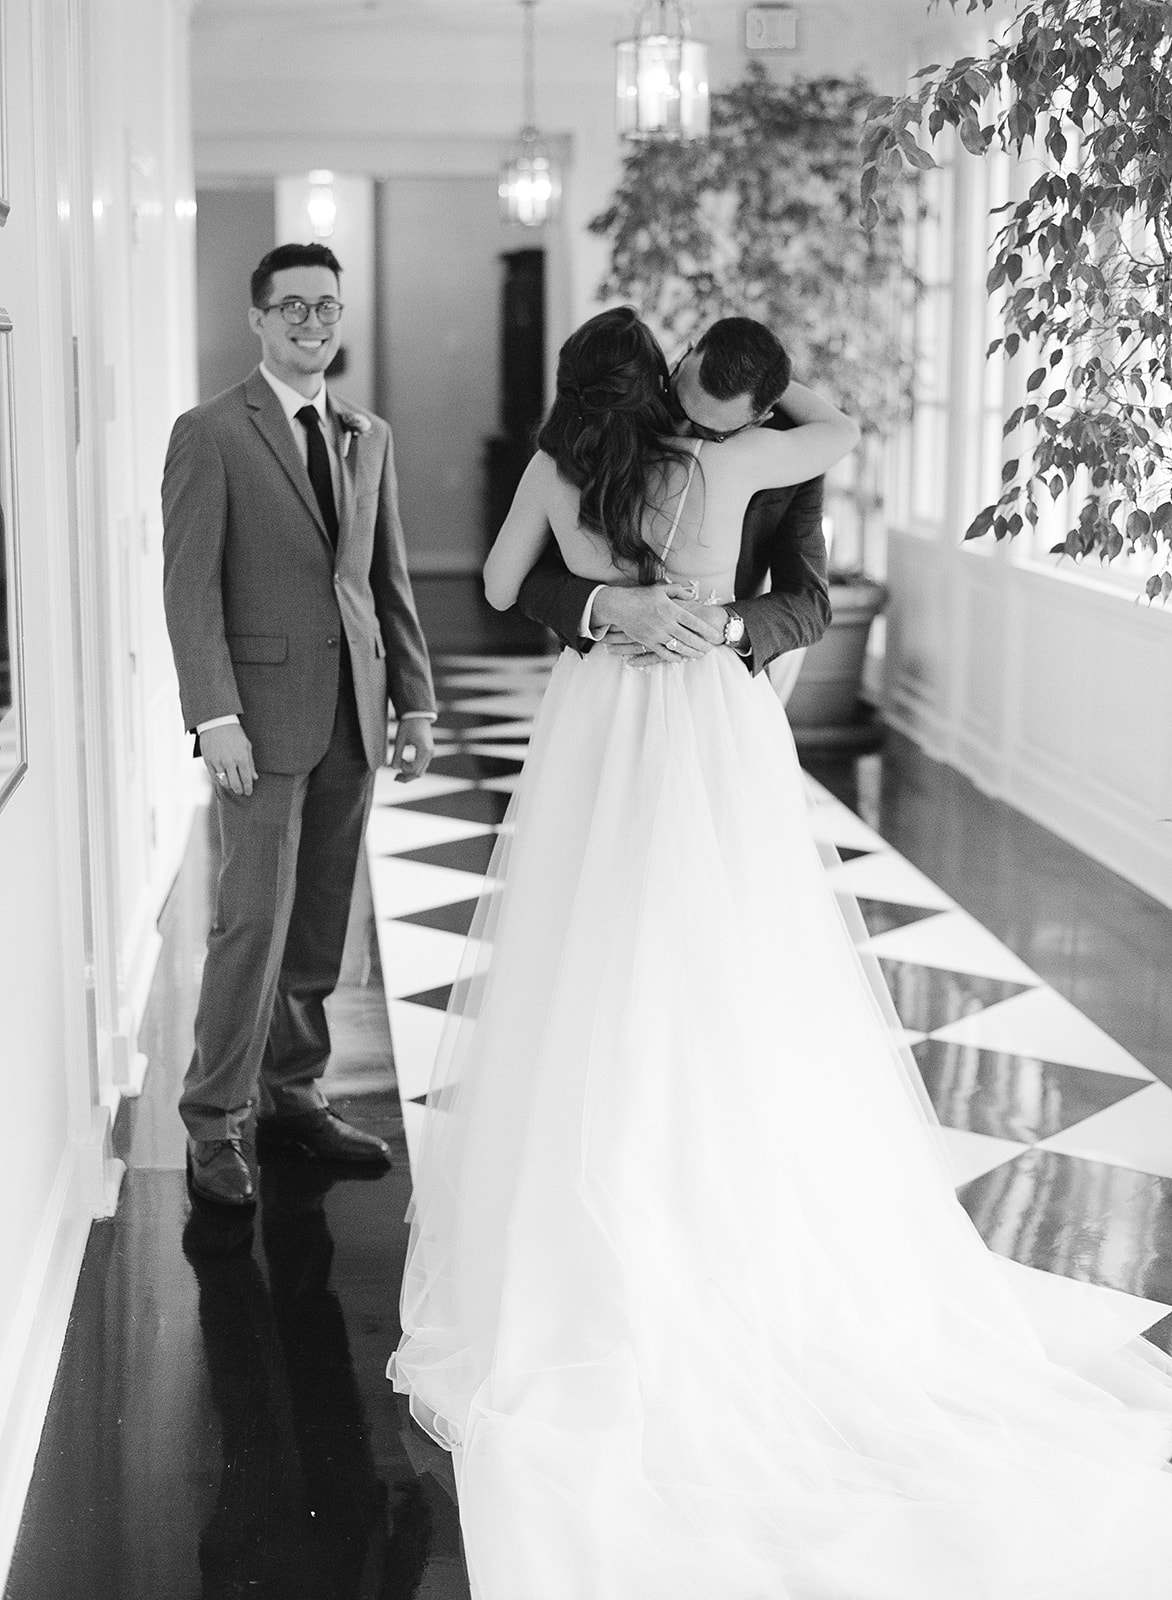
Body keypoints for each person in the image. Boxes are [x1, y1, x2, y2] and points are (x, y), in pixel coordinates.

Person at [390, 307, 1172, 1599]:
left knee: (622, 933)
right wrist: (616, 604)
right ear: (664, 375)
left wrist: (658, 614)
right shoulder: (732, 456)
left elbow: (533, 580)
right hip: (693, 709)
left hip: (626, 712)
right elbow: (822, 437)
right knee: (684, 934)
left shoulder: (581, 462)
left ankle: (643, 1163)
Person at [163, 242, 436, 1207]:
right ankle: (213, 1121)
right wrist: (215, 716)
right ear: (259, 317)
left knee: (321, 920)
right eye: (294, 308)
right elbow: (189, 588)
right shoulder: (210, 432)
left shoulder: (368, 433)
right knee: (251, 923)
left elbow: (384, 576)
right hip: (259, 722)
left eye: (327, 307)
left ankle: (293, 1093)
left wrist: (414, 699)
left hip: (353, 713)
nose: (313, 323)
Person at [515, 314, 830, 672]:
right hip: (604, 670)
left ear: (758, 420)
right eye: (678, 403)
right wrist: (602, 605)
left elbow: (810, 603)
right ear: (684, 356)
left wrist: (726, 624)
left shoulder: (792, 455)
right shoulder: (617, 414)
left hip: (719, 676)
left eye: (709, 432)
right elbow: (530, 572)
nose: (680, 430)